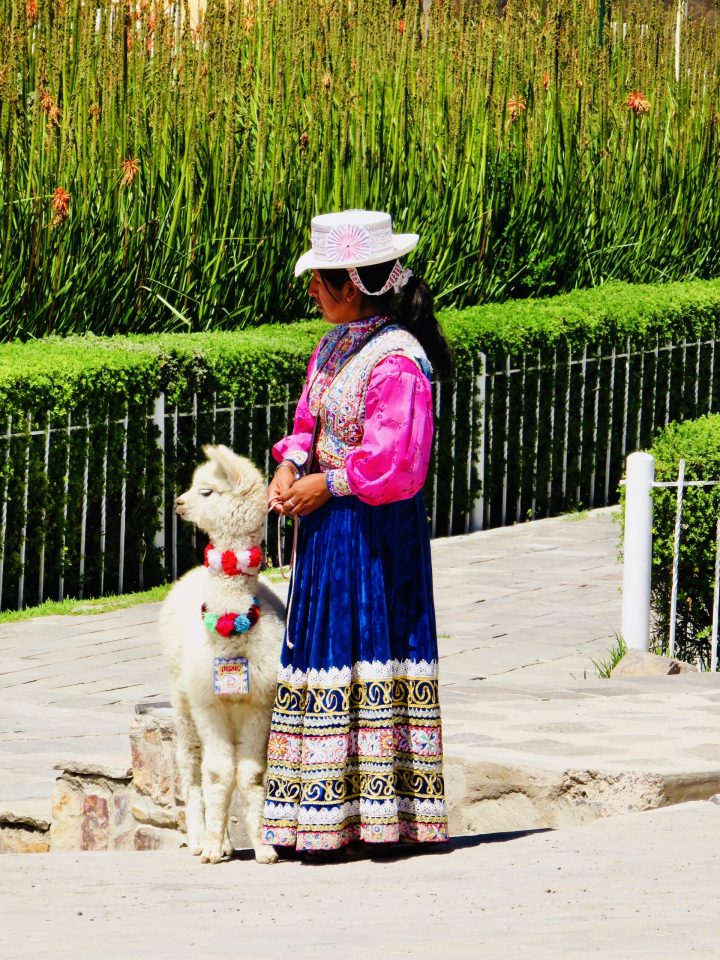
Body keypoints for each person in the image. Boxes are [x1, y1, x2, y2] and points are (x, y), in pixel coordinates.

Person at [262, 209, 452, 855]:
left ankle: (378, 817)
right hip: (327, 532)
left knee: (367, 648)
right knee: (323, 655)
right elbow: (308, 422)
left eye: (318, 279)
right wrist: (291, 465)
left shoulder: (398, 361)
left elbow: (399, 464)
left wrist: (329, 485)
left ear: (350, 281)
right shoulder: (336, 346)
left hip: (373, 534)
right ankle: (318, 817)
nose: (310, 290)